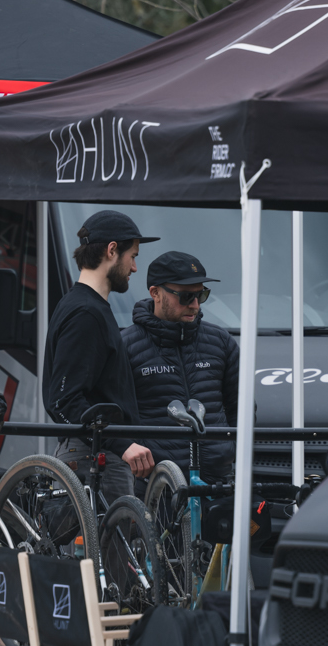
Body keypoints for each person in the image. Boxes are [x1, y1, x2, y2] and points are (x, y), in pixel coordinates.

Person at [42, 208, 160, 505]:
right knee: (108, 537)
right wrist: (121, 444)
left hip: (95, 453)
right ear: (111, 250)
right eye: (132, 256)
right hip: (92, 457)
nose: (135, 267)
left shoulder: (84, 306)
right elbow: (63, 399)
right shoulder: (86, 313)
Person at [121, 250, 240, 479]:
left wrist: (232, 451)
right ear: (155, 293)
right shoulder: (125, 345)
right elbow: (115, 414)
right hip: (156, 485)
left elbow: (240, 408)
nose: (195, 305)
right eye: (186, 296)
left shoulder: (221, 342)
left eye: (201, 295)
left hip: (219, 479)